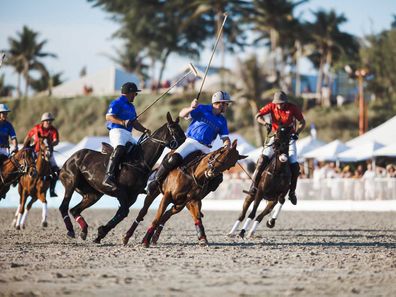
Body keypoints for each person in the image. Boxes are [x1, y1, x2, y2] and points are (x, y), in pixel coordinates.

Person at [147, 91, 232, 194]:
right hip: (191, 142)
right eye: (226, 104)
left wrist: (227, 144)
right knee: (174, 158)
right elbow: (182, 114)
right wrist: (191, 108)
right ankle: (156, 181)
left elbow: (225, 137)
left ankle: (199, 194)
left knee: (217, 176)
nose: (227, 106)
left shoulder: (222, 121)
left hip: (205, 148)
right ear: (219, 103)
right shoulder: (202, 108)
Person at [244, 91, 306, 205]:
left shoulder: (292, 108)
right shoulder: (271, 106)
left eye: (281, 103)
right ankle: (253, 187)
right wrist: (265, 123)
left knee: (294, 164)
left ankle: (292, 192)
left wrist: (297, 133)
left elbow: (302, 122)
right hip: (275, 137)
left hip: (289, 138)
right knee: (262, 159)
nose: (279, 105)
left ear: (285, 102)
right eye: (277, 103)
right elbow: (257, 116)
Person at [102, 82, 150, 190]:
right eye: (135, 93)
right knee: (120, 148)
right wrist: (123, 122)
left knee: (139, 150)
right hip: (117, 131)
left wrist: (144, 130)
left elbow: (134, 123)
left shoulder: (131, 106)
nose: (135, 96)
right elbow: (109, 117)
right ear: (129, 93)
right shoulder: (117, 102)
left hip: (128, 134)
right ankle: (108, 176)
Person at [23, 112, 60, 197]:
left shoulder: (53, 130)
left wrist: (50, 145)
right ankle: (20, 181)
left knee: (56, 170)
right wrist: (25, 147)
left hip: (48, 153)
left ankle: (52, 190)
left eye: (50, 121)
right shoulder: (36, 128)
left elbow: (56, 141)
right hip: (35, 151)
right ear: (43, 121)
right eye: (47, 121)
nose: (49, 122)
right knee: (26, 165)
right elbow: (28, 136)